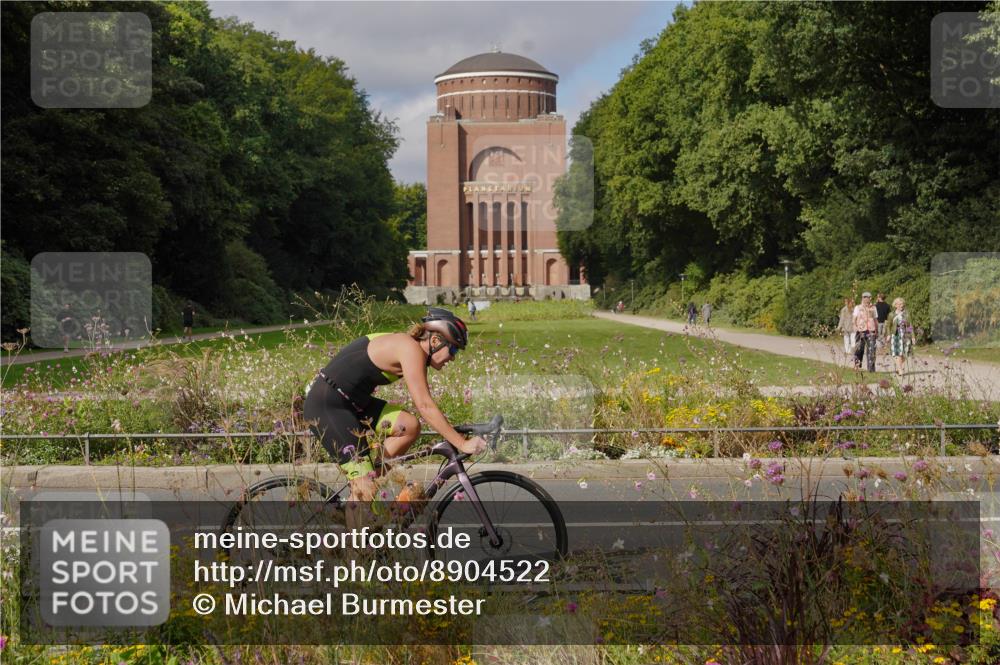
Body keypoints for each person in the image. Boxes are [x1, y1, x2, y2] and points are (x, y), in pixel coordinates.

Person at [303, 308, 486, 526]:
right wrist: (462, 443)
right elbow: (424, 405)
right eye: (453, 349)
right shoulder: (409, 348)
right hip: (328, 406)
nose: (453, 358)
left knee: (408, 426)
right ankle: (358, 530)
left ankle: (364, 489)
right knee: (364, 488)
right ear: (436, 340)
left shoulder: (411, 348)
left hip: (352, 402)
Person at [888, 297, 914, 377]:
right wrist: (888, 335)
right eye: (899, 304)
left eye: (902, 304)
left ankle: (898, 367)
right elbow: (888, 326)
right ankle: (900, 370)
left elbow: (910, 326)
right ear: (895, 305)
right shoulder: (891, 314)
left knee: (906, 353)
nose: (901, 305)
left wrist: (913, 336)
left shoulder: (907, 314)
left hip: (906, 335)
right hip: (896, 335)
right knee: (898, 353)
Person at [852, 292, 878, 372]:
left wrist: (877, 331)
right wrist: (855, 327)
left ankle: (871, 369)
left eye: (869, 297)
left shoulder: (873, 308)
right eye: (865, 297)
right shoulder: (857, 307)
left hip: (871, 331)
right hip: (860, 330)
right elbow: (854, 319)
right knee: (859, 349)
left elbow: (875, 320)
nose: (867, 299)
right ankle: (857, 365)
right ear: (862, 298)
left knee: (871, 350)